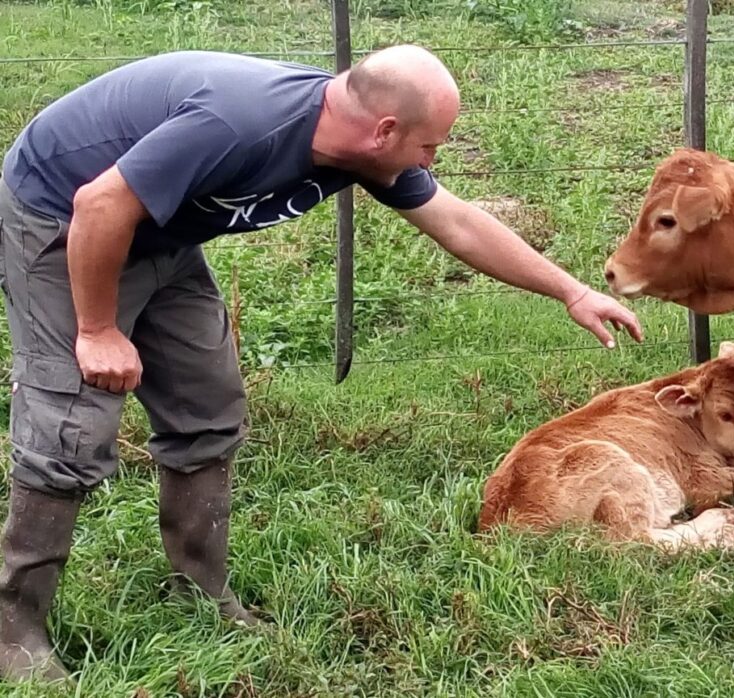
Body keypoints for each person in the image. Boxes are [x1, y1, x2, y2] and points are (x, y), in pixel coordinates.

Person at [0, 44, 643, 683]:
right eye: (429, 146)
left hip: (162, 234)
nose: (432, 160)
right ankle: (13, 631)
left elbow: (458, 222)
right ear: (385, 130)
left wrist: (573, 291)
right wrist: (98, 329)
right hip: (62, 217)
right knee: (70, 429)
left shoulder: (358, 143)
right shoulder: (239, 125)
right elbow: (101, 204)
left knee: (208, 406)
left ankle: (201, 593)